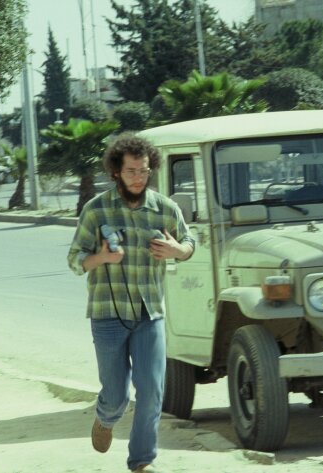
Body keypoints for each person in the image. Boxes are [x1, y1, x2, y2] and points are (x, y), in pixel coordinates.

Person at [67, 132, 195, 473]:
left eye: (144, 170)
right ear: (115, 173)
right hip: (107, 315)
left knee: (152, 391)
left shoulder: (165, 208)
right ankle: (104, 419)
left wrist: (178, 251)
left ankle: (142, 461)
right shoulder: (96, 211)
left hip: (150, 313)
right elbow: (74, 258)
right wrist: (101, 258)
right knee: (117, 396)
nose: (139, 177)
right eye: (131, 172)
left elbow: (188, 241)